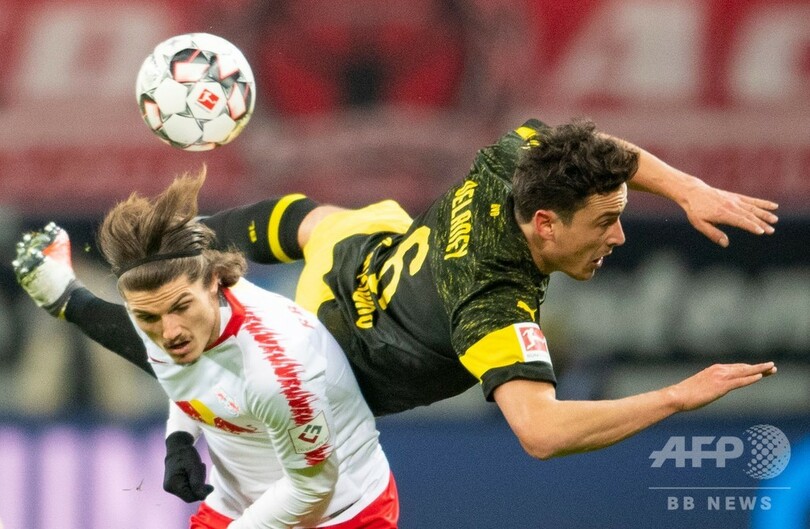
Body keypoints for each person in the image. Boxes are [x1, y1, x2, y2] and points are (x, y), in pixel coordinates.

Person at [15, 118, 777, 484]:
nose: (618, 235)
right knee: (211, 369)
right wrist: (677, 395)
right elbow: (542, 432)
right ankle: (68, 295)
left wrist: (687, 188)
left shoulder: (512, 162)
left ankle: (185, 242)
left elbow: (598, 150)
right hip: (330, 359)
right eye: (606, 221)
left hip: (365, 259)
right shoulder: (493, 302)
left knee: (334, 221)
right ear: (545, 223)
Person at [14, 173, 399, 528]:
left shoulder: (279, 368)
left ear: (216, 282)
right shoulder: (167, 311)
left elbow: (313, 491)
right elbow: (193, 373)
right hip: (241, 505)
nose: (168, 332)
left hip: (342, 514)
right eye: (146, 317)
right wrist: (179, 439)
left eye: (181, 307)